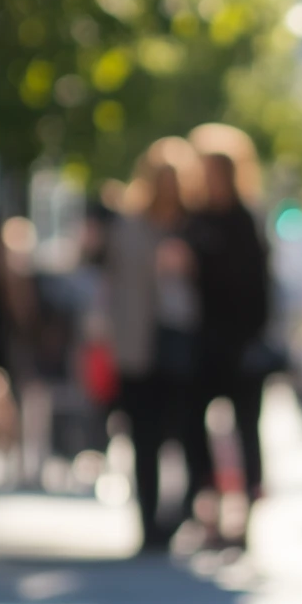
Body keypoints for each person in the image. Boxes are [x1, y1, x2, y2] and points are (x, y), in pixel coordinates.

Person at [106, 137, 209, 553]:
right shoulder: (129, 227)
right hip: (138, 345)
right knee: (143, 439)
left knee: (187, 434)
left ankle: (180, 512)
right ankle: (148, 524)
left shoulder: (196, 228)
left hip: (185, 342)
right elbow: (114, 287)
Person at [184, 124, 274, 544]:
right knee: (192, 427)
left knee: (246, 429)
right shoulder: (192, 221)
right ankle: (208, 510)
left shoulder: (246, 221)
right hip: (200, 342)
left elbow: (261, 287)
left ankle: (245, 518)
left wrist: (255, 337)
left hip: (241, 343)